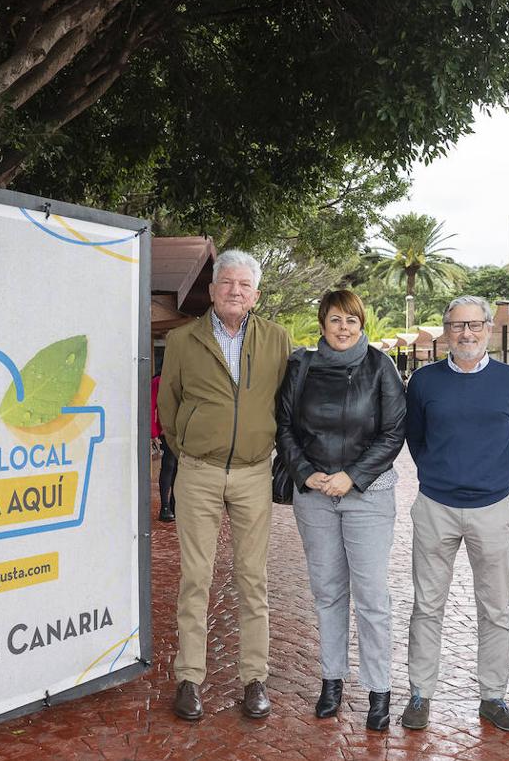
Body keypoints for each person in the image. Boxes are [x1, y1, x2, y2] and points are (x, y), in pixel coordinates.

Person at [157, 249, 291, 721]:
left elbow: (284, 403)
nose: (236, 291)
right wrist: (192, 444)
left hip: (255, 473)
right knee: (196, 578)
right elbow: (168, 408)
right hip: (198, 473)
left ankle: (254, 677)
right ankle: (189, 677)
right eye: (227, 283)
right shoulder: (181, 340)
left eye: (244, 285)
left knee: (253, 579)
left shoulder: (278, 339)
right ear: (212, 290)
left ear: (256, 294)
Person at [400, 295, 509, 733]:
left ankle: (492, 696)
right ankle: (420, 693)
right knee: (427, 605)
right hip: (435, 507)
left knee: (496, 609)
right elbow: (416, 440)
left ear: (488, 329)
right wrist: (443, 476)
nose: (467, 334)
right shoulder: (423, 382)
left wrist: (488, 481)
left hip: (492, 509)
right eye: (457, 326)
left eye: (474, 325)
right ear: (446, 331)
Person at [275, 290, 406, 731]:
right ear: (322, 323)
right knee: (328, 592)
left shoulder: (379, 366)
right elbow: (285, 426)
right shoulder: (301, 366)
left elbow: (393, 432)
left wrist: (351, 475)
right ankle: (331, 680)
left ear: (361, 322)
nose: (344, 328)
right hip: (314, 496)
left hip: (366, 494)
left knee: (371, 597)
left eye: (351, 320)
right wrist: (306, 473)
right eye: (335, 319)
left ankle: (379, 688)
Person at [151, 371, 177, 523]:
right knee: (169, 465)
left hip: (184, 430)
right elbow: (151, 404)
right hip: (166, 430)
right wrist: (153, 431)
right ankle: (165, 506)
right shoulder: (158, 381)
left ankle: (174, 504)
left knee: (179, 468)